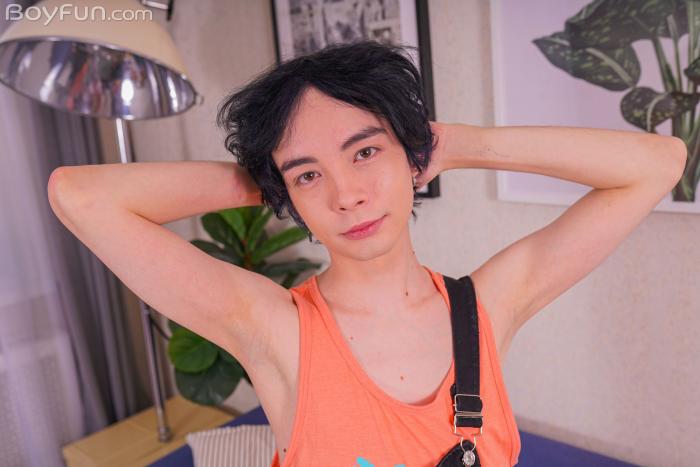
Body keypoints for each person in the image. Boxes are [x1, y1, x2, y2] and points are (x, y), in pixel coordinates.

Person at [47, 40, 687, 466]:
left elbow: (659, 164)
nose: (346, 195)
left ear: (412, 158)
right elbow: (78, 195)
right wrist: (273, 182)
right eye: (310, 175)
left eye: (365, 152)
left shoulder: (488, 307)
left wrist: (458, 144)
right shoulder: (274, 329)